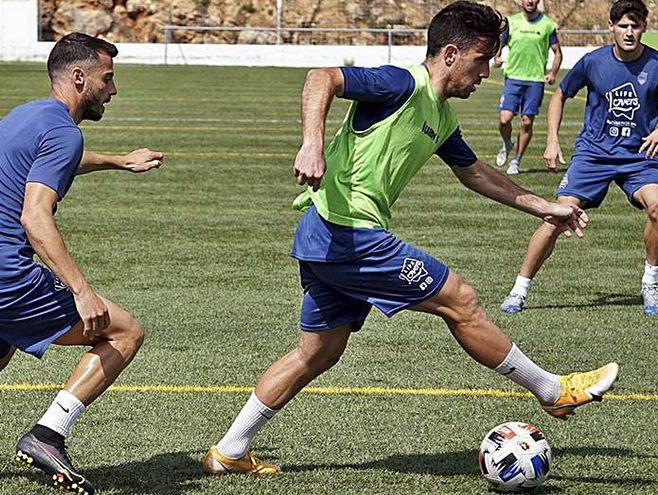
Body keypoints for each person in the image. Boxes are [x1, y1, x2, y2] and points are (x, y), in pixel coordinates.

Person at [201, 1, 619, 475]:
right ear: (449, 54)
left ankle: (228, 452)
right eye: (482, 59)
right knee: (460, 300)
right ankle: (552, 391)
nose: (488, 71)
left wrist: (548, 207)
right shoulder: (401, 84)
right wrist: (312, 142)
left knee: (316, 353)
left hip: (324, 237)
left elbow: (477, 174)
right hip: (348, 233)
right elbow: (322, 76)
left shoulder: (440, 117)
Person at [0, 33, 163, 495]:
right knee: (124, 331)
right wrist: (82, 291)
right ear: (79, 77)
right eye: (108, 79)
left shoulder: (26, 115)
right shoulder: (65, 131)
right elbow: (34, 216)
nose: (113, 90)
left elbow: (54, 159)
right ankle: (49, 434)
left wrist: (118, 161)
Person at [500, 0, 658, 316]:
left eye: (636, 26)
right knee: (556, 216)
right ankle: (519, 289)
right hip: (594, 155)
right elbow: (560, 95)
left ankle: (651, 285)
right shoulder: (593, 62)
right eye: (623, 26)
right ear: (611, 27)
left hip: (639, 157)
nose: (629, 32)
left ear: (644, 27)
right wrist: (551, 140)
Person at [494, 0, 562, 175]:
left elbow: (557, 53)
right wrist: (497, 56)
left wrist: (553, 73)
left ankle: (516, 160)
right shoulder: (512, 22)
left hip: (535, 81)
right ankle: (507, 144)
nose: (530, 1)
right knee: (504, 119)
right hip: (513, 79)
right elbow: (500, 44)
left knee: (526, 122)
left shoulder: (547, 25)